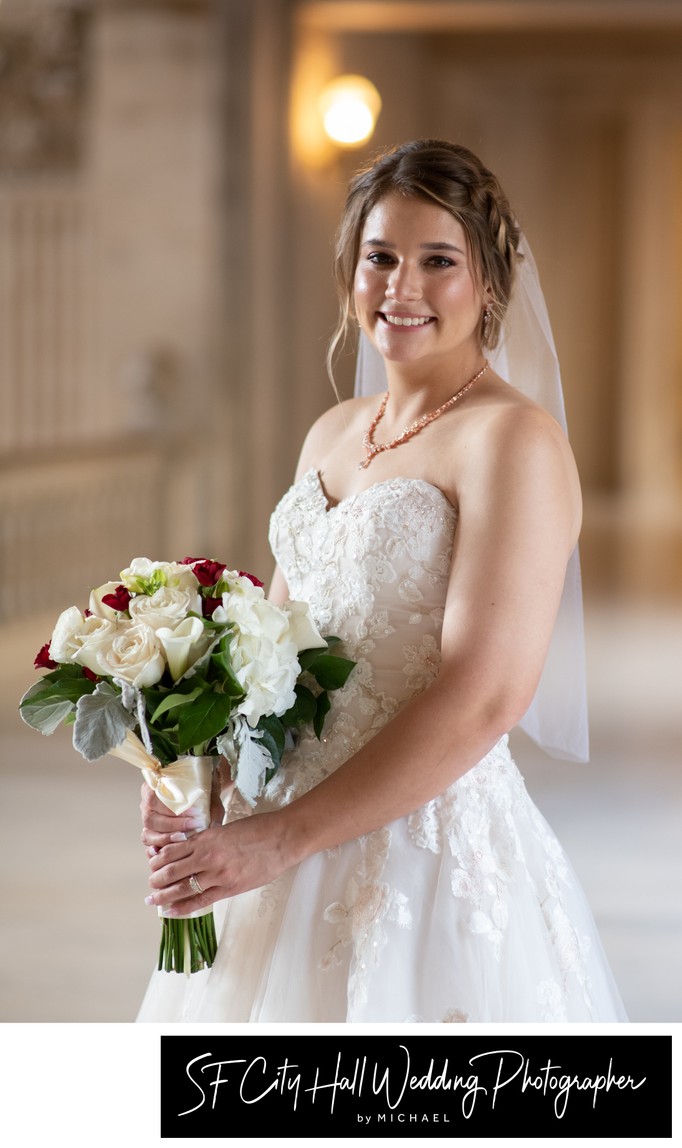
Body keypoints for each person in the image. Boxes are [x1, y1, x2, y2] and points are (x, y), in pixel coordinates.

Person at [137, 139, 627, 1022]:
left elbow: (485, 694)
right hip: (271, 835)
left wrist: (281, 840)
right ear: (349, 272)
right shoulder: (332, 432)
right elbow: (269, 652)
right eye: (380, 257)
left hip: (417, 857)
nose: (402, 287)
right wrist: (192, 772)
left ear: (489, 283)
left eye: (439, 261)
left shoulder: (513, 442)